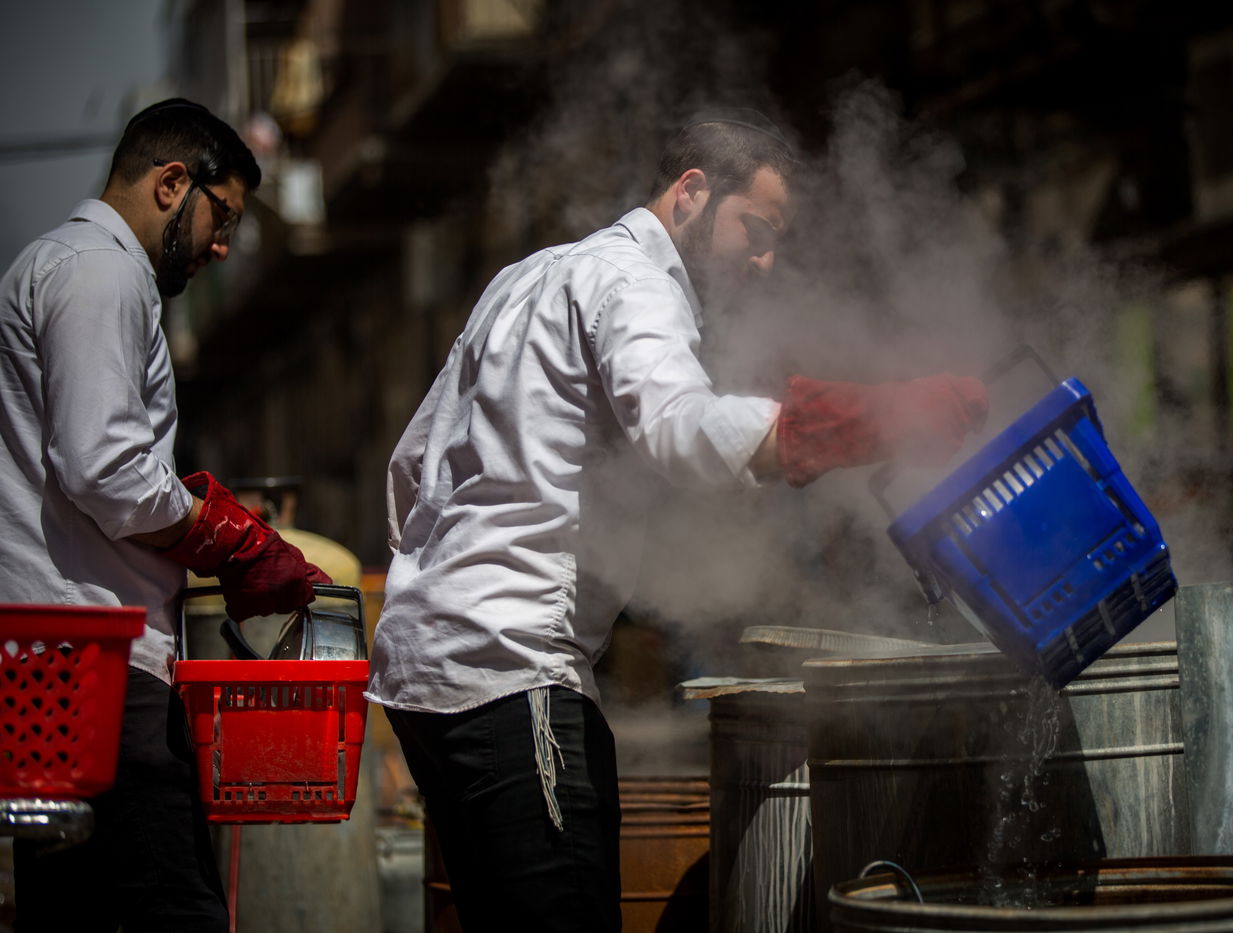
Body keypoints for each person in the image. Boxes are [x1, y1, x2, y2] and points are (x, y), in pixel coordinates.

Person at [368, 109, 989, 931]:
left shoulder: (530, 275)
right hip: (511, 671)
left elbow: (415, 466)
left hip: (427, 672)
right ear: (692, 193)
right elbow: (680, 428)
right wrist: (867, 419)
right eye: (755, 230)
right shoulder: (634, 284)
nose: (764, 263)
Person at [0, 98, 328, 932]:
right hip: (94, 663)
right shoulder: (99, 269)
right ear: (171, 181)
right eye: (221, 215)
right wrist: (233, 542)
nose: (222, 244)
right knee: (172, 905)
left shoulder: (73, 265)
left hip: (75, 662)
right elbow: (108, 469)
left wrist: (212, 522)